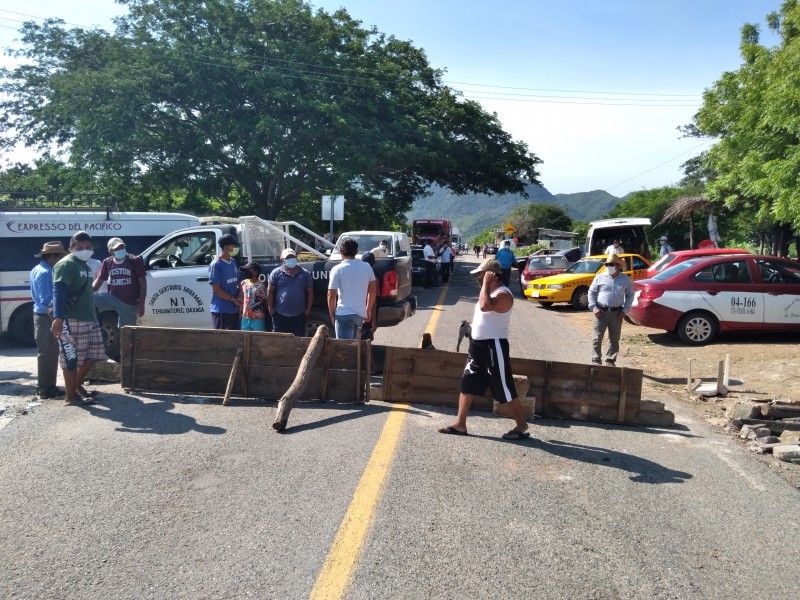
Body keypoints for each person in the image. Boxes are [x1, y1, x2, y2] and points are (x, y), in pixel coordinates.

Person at [437, 258, 529, 440]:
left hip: (493, 347)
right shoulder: (487, 292)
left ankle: (521, 424)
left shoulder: (503, 294)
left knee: (504, 387)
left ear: (492, 275)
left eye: (482, 274)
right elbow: (484, 314)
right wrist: (471, 325)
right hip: (477, 347)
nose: (479, 278)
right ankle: (460, 423)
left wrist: (486, 283)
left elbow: (486, 306)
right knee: (468, 383)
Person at [50, 231, 108, 406]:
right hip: (72, 319)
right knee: (71, 358)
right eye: (80, 247)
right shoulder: (66, 264)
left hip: (89, 317)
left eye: (88, 247)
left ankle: (76, 386)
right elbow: (58, 291)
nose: (85, 250)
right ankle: (70, 396)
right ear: (71, 248)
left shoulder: (84, 265)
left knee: (93, 355)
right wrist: (58, 317)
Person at [29, 241, 68, 399]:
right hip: (46, 316)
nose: (61, 260)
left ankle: (46, 386)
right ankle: (46, 389)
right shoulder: (47, 273)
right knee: (48, 353)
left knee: (48, 353)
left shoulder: (37, 269)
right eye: (60, 257)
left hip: (40, 314)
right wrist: (56, 322)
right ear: (52, 257)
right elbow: (48, 301)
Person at [588, 255, 634, 367]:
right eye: (607, 264)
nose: (608, 266)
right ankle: (596, 359)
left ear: (618, 266)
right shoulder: (599, 277)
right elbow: (591, 292)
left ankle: (610, 360)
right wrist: (594, 308)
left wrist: (624, 311)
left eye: (611, 264)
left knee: (614, 339)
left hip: (617, 314)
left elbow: (630, 295)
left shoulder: (625, 279)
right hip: (600, 312)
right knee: (596, 338)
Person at [327, 238, 377, 340]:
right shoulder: (367, 267)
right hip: (359, 314)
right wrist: (368, 309)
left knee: (344, 350)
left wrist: (332, 314)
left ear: (341, 252)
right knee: (355, 348)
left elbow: (331, 295)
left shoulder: (337, 269)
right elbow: (372, 291)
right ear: (356, 251)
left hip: (343, 314)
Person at [92, 237, 147, 329]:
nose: (120, 250)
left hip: (129, 302)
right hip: (113, 298)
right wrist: (87, 292)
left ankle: (128, 343)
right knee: (90, 300)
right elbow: (99, 280)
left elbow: (143, 283)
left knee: (126, 331)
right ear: (110, 251)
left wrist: (141, 304)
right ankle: (93, 325)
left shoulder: (134, 260)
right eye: (117, 249)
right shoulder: (107, 262)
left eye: (122, 247)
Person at [267, 249, 313, 336]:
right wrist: (271, 310)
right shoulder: (276, 273)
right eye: (288, 257)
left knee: (298, 343)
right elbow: (270, 292)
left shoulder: (305, 273)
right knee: (279, 342)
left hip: (299, 315)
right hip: (279, 315)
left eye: (292, 257)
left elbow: (310, 292)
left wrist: (307, 311)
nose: (291, 259)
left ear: (296, 258)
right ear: (283, 260)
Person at [209, 233, 242, 330]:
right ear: (226, 248)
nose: (236, 248)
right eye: (234, 246)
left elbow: (236, 281)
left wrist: (240, 294)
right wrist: (232, 299)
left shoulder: (233, 262)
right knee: (224, 341)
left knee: (235, 339)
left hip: (233, 309)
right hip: (221, 310)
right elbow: (216, 289)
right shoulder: (216, 264)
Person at [239, 262, 268, 331]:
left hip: (258, 318)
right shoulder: (244, 283)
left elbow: (266, 302)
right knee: (244, 338)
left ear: (255, 272)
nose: (246, 272)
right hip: (245, 317)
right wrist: (241, 308)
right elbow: (242, 295)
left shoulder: (262, 286)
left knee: (258, 338)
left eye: (248, 270)